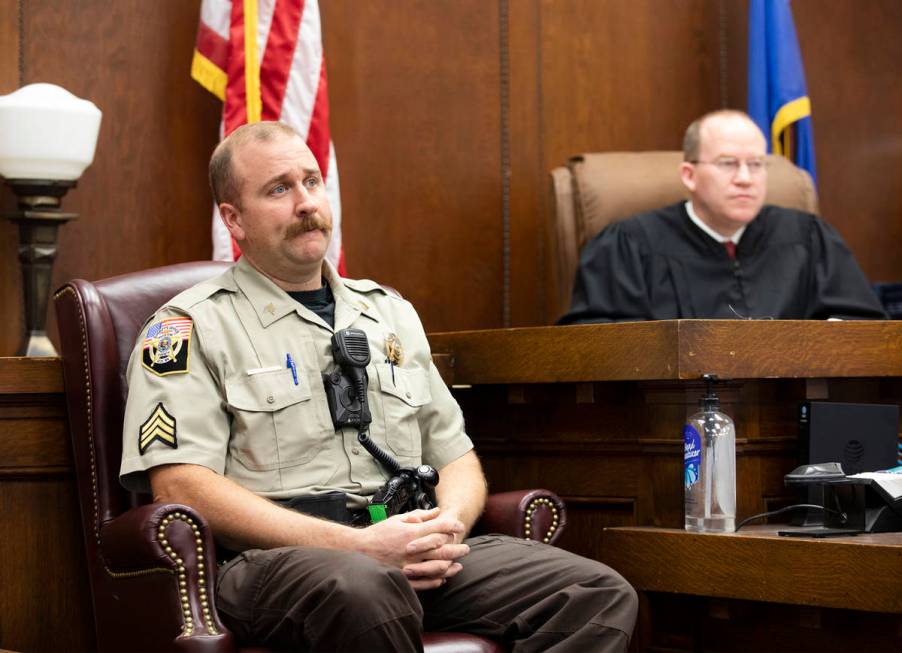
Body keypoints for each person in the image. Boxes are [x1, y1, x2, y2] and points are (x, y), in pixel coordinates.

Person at [120, 121, 637, 652]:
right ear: (234, 219)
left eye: (312, 182)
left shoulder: (389, 314)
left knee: (595, 591)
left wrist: (446, 531)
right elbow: (180, 486)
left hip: (406, 544)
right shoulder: (190, 326)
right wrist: (356, 545)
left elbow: (456, 458)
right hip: (281, 562)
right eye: (279, 189)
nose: (305, 203)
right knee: (366, 589)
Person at [560, 110, 888, 324]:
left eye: (757, 164)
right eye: (728, 163)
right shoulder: (629, 245)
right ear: (689, 175)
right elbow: (596, 342)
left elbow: (866, 327)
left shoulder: (808, 237)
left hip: (792, 412)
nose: (745, 177)